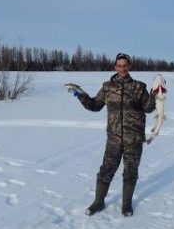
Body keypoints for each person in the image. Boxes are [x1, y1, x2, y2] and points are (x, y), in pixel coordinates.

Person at [67, 53, 156, 216]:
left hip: (133, 139)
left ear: (129, 67)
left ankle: (127, 204)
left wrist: (156, 94)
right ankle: (98, 201)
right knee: (106, 170)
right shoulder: (107, 87)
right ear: (115, 67)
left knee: (130, 171)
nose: (122, 69)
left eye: (125, 65)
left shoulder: (139, 87)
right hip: (114, 139)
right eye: (119, 66)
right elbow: (95, 106)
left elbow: (149, 108)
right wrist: (81, 96)